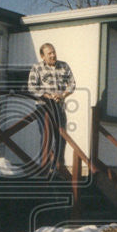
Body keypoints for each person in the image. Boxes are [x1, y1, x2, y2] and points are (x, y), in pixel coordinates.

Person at [27, 43, 75, 172]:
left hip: (59, 108)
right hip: (43, 108)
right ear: (42, 56)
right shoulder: (37, 68)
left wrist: (62, 95)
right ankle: (45, 167)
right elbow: (31, 87)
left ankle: (58, 166)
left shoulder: (63, 66)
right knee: (47, 136)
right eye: (49, 54)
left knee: (61, 137)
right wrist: (47, 95)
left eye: (54, 52)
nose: (53, 55)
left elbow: (72, 84)